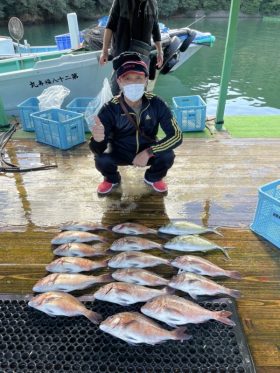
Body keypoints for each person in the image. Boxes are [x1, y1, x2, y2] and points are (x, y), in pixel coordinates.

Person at [89, 52, 182, 195]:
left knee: (167, 155)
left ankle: (153, 177)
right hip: (119, 152)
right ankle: (111, 179)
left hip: (148, 150)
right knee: (101, 159)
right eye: (127, 79)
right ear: (119, 82)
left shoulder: (157, 103)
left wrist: (149, 152)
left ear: (145, 80)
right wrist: (97, 140)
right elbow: (97, 149)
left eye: (138, 78)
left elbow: (176, 136)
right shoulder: (109, 108)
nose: (133, 83)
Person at [99, 0, 164, 95]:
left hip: (143, 55)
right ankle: (116, 108)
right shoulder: (120, 2)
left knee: (140, 91)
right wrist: (104, 51)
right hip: (121, 53)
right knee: (116, 89)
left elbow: (155, 29)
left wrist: (160, 51)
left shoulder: (153, 3)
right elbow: (110, 26)